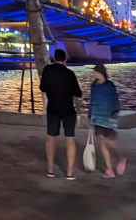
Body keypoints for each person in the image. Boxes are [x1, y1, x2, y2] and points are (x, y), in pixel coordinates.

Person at [40, 48, 82, 179]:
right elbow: (78, 93)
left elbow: (42, 87)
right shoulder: (69, 73)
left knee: (51, 139)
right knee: (70, 140)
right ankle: (70, 172)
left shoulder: (47, 70)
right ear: (65, 60)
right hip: (68, 110)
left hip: (53, 109)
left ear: (54, 59)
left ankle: (50, 170)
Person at [88, 63, 125, 177]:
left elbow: (115, 100)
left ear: (100, 73)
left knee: (110, 142)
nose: (93, 73)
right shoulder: (94, 86)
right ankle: (109, 170)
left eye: (95, 71)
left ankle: (121, 157)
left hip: (108, 117)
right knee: (101, 141)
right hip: (97, 117)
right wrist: (90, 114)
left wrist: (114, 113)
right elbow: (92, 101)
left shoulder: (110, 86)